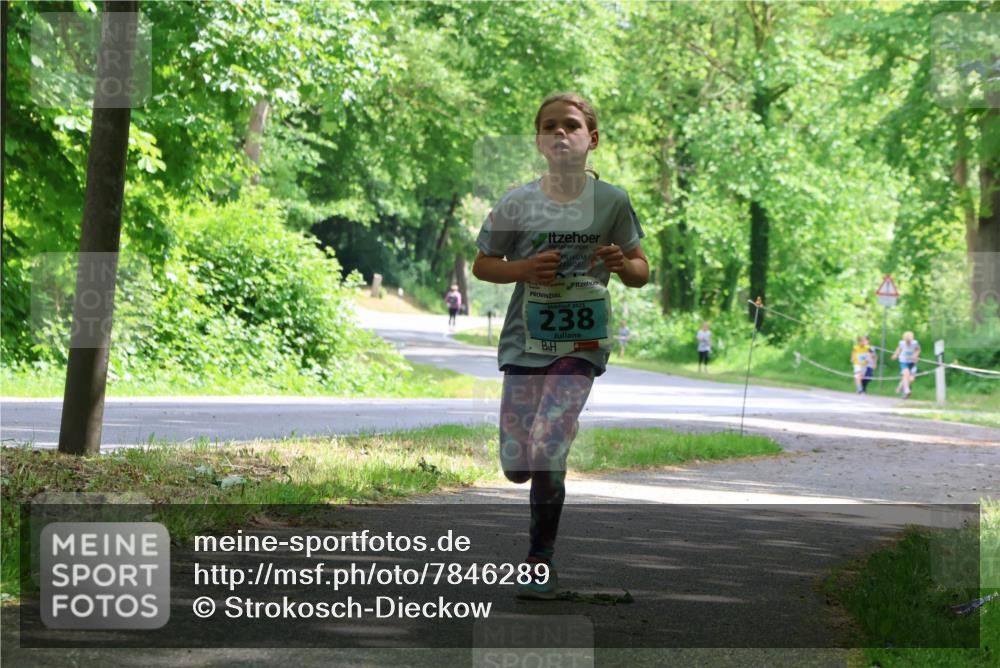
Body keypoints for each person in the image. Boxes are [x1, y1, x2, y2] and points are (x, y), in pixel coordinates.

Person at [472, 92, 649, 600]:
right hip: (526, 343)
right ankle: (523, 470)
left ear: (591, 139)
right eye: (549, 127)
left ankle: (538, 559)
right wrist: (524, 270)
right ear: (538, 141)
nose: (560, 133)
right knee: (517, 463)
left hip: (582, 343)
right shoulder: (517, 201)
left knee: (550, 444)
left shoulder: (612, 202)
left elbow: (641, 269)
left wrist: (622, 264)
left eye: (571, 125)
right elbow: (484, 264)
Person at [891, 331, 921, 399]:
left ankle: (900, 386)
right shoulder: (902, 343)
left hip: (912, 362)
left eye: (909, 341)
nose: (908, 343)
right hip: (903, 361)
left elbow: (918, 350)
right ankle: (906, 390)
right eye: (906, 341)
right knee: (906, 373)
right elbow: (898, 349)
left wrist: (915, 355)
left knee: (911, 379)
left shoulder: (915, 343)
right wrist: (895, 355)